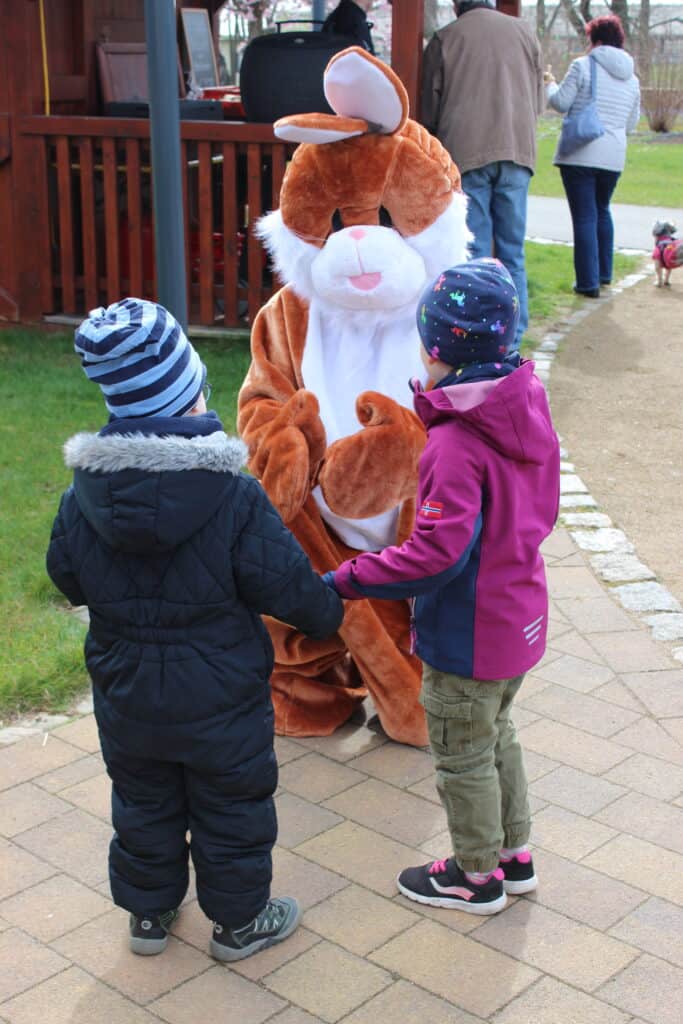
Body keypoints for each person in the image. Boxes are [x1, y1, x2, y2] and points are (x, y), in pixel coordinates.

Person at [46, 298, 344, 960]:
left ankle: (148, 916)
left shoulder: (81, 498)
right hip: (221, 701)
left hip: (128, 696)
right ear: (188, 396)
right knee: (232, 807)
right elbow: (290, 588)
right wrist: (329, 613)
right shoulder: (233, 498)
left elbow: (65, 575)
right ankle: (239, 923)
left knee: (143, 803)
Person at [323, 259, 560, 914]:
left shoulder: (456, 443)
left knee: (461, 755)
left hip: (468, 635)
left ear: (434, 349)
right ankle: (513, 855)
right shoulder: (524, 404)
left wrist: (348, 578)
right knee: (496, 733)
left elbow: (434, 557)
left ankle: (474, 875)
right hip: (518, 615)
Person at [421, 0, 544, 351]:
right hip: (517, 148)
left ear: (457, 5)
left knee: (475, 253)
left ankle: (480, 337)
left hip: (466, 152)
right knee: (512, 252)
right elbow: (538, 101)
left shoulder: (446, 38)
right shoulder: (524, 33)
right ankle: (513, 337)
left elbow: (429, 110)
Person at [545, 15, 640, 298]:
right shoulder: (632, 79)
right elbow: (632, 124)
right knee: (602, 210)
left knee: (585, 217)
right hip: (614, 156)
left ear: (595, 40)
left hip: (581, 153)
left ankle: (587, 283)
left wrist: (549, 83)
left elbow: (560, 102)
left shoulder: (582, 66)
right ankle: (604, 274)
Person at [651, 220, 679, 288]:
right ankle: (666, 280)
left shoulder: (656, 230)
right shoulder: (669, 228)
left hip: (660, 247)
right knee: (668, 262)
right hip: (669, 246)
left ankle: (659, 281)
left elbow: (655, 239)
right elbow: (674, 230)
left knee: (657, 265)